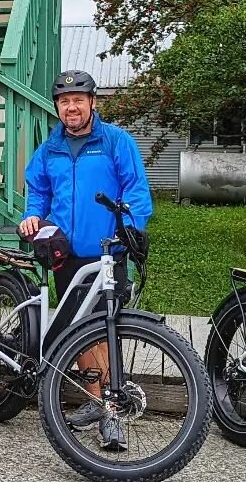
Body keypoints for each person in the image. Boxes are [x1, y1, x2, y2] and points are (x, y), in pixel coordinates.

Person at [18, 70, 153, 451]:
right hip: (66, 253)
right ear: (57, 107)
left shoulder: (115, 141)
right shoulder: (50, 148)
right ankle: (96, 402)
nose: (71, 107)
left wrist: (129, 227)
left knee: (105, 328)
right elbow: (39, 192)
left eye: (78, 99)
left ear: (93, 102)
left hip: (108, 252)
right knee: (76, 332)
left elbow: (136, 191)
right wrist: (33, 215)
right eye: (64, 101)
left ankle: (112, 410)